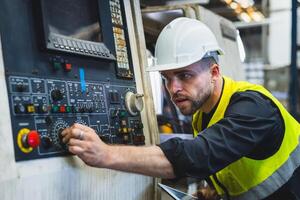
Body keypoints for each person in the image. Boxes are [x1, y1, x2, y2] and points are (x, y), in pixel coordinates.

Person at [61, 17, 300, 200]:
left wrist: (106, 154)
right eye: (166, 78)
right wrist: (216, 190)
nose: (173, 88)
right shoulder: (203, 114)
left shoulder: (254, 108)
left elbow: (200, 154)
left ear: (214, 72)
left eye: (185, 75)